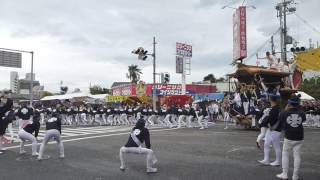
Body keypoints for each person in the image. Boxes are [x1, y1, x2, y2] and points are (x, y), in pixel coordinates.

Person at [276, 94, 306, 180]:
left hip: (289, 136)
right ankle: (295, 176)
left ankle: (284, 174)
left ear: (289, 103)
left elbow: (280, 118)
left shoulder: (284, 113)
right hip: (299, 136)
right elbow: (303, 120)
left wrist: (286, 109)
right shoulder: (302, 113)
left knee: (285, 154)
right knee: (297, 156)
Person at [258, 95, 282, 166]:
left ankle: (278, 161)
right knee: (267, 144)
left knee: (276, 146)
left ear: (271, 100)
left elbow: (270, 119)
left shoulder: (275, 109)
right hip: (271, 129)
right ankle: (266, 159)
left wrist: (262, 123)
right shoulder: (275, 108)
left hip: (275, 129)